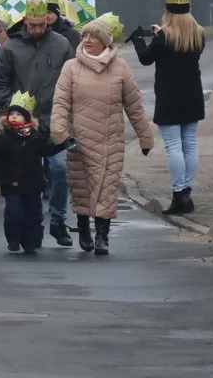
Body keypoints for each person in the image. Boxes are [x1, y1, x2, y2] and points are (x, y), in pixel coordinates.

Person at [51, 15, 154, 255]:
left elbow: (134, 107)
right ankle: (84, 227)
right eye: (85, 35)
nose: (87, 40)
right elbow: (61, 103)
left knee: (107, 189)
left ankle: (103, 236)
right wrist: (60, 133)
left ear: (105, 42)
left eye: (93, 37)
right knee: (81, 188)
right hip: (78, 142)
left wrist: (145, 137)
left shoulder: (120, 68)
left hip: (110, 141)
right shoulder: (71, 68)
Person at [0, 0, 75, 247]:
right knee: (24, 176)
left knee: (59, 169)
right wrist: (15, 107)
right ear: (25, 20)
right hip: (21, 126)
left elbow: (72, 80)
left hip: (54, 119)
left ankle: (59, 220)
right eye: (32, 25)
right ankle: (22, 225)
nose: (37, 29)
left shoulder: (61, 45)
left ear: (48, 21)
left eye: (42, 24)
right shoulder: (11, 47)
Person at [128, 0, 206, 214]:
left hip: (170, 96)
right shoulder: (198, 33)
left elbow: (145, 59)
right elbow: (179, 43)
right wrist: (160, 32)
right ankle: (187, 193)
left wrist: (138, 40)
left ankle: (178, 194)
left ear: (168, 12)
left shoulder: (163, 37)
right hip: (193, 94)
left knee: (173, 146)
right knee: (189, 143)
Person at [0, 91, 72, 254]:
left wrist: (62, 144)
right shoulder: (2, 136)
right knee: (13, 213)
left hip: (33, 183)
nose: (13, 117)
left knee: (33, 215)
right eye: (11, 114)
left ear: (26, 118)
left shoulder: (34, 137)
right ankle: (13, 239)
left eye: (18, 114)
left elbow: (47, 150)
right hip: (11, 183)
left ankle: (31, 241)